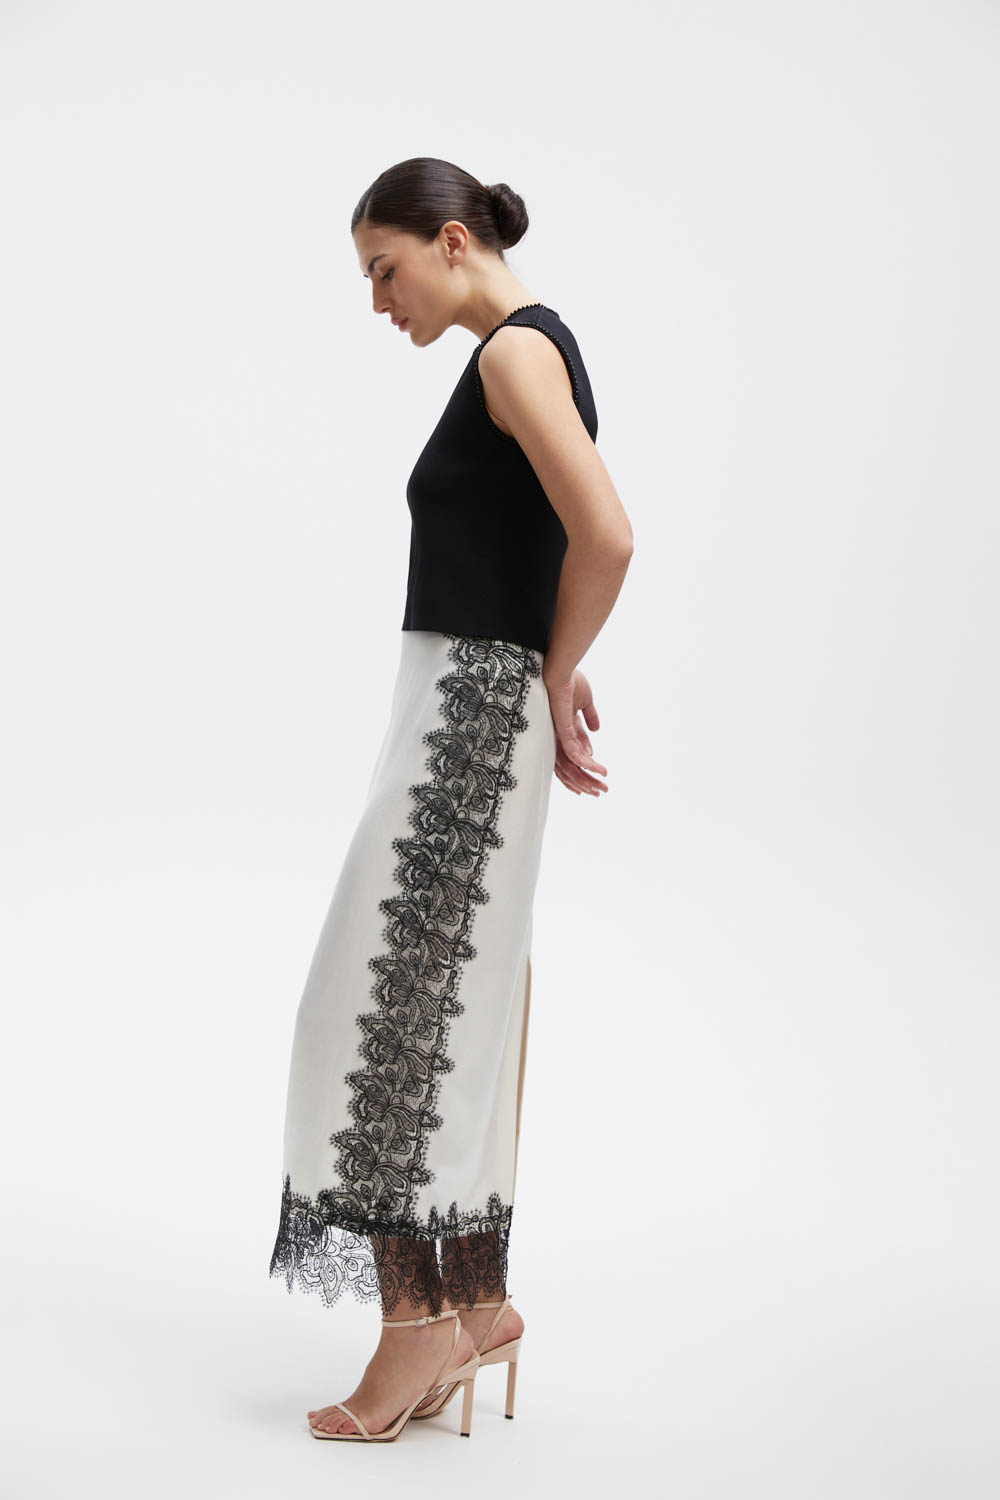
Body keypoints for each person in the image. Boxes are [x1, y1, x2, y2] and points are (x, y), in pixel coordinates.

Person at [268, 157, 633, 1442]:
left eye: (385, 270)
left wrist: (553, 669)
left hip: (470, 719)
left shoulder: (514, 356)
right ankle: (472, 1303)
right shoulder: (524, 353)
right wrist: (547, 663)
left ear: (453, 240)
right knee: (447, 1015)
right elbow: (559, 540)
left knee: (372, 1019)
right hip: (466, 707)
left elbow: (609, 534)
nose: (381, 302)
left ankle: (415, 1331)